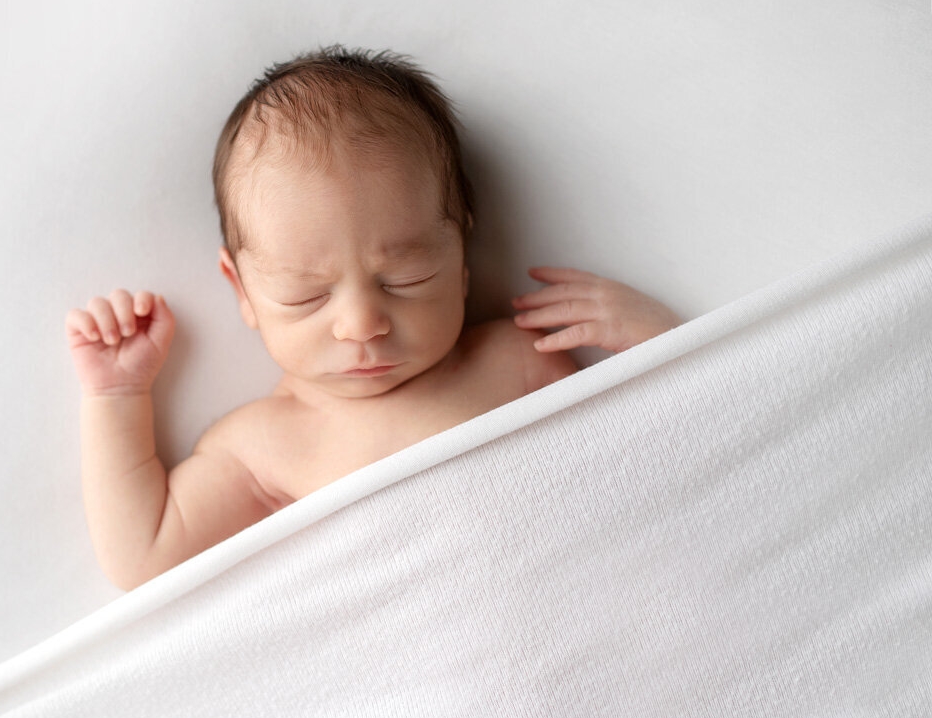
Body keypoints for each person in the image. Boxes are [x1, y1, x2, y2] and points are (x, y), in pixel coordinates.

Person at [64, 45, 683, 591]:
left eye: (406, 280)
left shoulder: (517, 359)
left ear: (462, 257)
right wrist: (118, 395)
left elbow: (662, 456)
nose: (362, 325)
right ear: (242, 291)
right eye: (306, 296)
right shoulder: (264, 444)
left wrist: (653, 338)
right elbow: (143, 558)